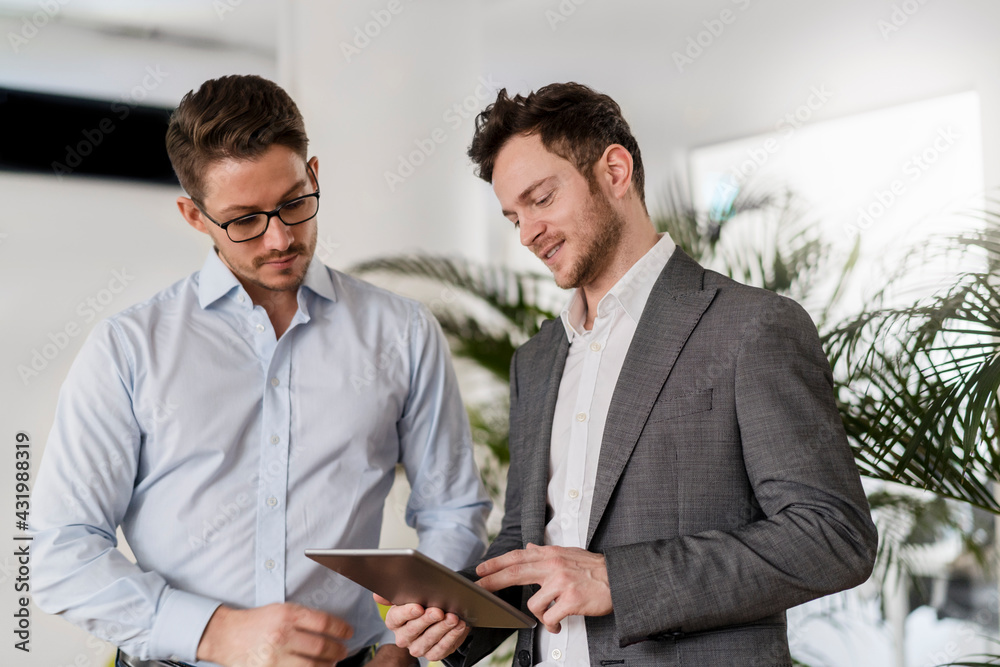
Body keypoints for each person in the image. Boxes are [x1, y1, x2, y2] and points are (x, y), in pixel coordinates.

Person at [380, 82, 878, 666]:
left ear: (615, 170)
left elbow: (834, 536)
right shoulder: (535, 360)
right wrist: (458, 617)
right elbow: (525, 548)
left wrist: (620, 580)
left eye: (541, 199)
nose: (527, 233)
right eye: (513, 216)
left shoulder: (752, 327)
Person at [31, 74, 491, 667]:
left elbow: (452, 512)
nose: (280, 238)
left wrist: (406, 645)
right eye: (244, 219)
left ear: (314, 174)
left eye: (294, 203)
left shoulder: (401, 332)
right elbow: (62, 552)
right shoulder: (127, 348)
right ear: (194, 217)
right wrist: (214, 633)